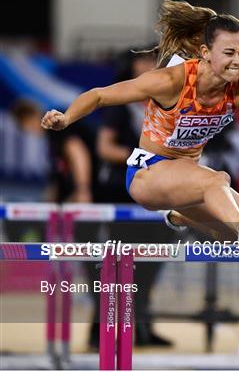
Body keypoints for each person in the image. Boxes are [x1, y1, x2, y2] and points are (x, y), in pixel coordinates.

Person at [41, 0, 239, 252]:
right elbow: (100, 95)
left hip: (187, 179)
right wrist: (66, 118)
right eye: (229, 52)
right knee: (218, 180)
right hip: (148, 174)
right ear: (205, 52)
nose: (238, 61)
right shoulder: (170, 81)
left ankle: (183, 217)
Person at [85, 48, 173, 349]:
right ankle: (100, 331)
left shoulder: (168, 100)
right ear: (131, 66)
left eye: (155, 60)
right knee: (117, 266)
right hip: (121, 194)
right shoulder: (121, 104)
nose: (150, 64)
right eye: (144, 59)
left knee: (151, 267)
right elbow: (105, 148)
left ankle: (144, 328)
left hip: (160, 196)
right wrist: (141, 157)